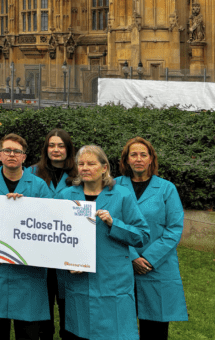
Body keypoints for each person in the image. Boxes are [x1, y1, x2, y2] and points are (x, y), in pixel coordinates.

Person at [57, 145, 150, 340]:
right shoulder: (66, 196)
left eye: (91, 163)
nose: (85, 168)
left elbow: (142, 235)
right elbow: (54, 235)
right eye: (81, 164)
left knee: (114, 333)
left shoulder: (122, 195)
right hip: (79, 280)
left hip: (112, 279)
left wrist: (113, 223)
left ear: (104, 167)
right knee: (79, 332)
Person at [0, 133, 53, 340]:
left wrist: (26, 207)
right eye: (7, 150)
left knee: (29, 328)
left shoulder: (38, 186)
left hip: (29, 268)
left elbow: (50, 218)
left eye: (17, 151)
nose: (12, 155)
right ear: (0, 155)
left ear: (24, 157)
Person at [115, 137, 188, 340]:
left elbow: (174, 229)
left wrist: (147, 259)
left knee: (154, 329)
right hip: (121, 264)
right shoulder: (114, 186)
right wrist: (132, 257)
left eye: (143, 155)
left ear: (151, 159)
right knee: (120, 326)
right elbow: (108, 223)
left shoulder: (167, 189)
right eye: (133, 154)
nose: (138, 159)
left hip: (156, 267)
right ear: (126, 159)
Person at [29, 128, 78, 340]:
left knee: (71, 317)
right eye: (51, 145)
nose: (55, 150)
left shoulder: (80, 176)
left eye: (60, 145)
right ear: (45, 149)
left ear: (68, 149)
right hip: (40, 255)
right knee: (42, 318)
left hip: (70, 255)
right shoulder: (30, 173)